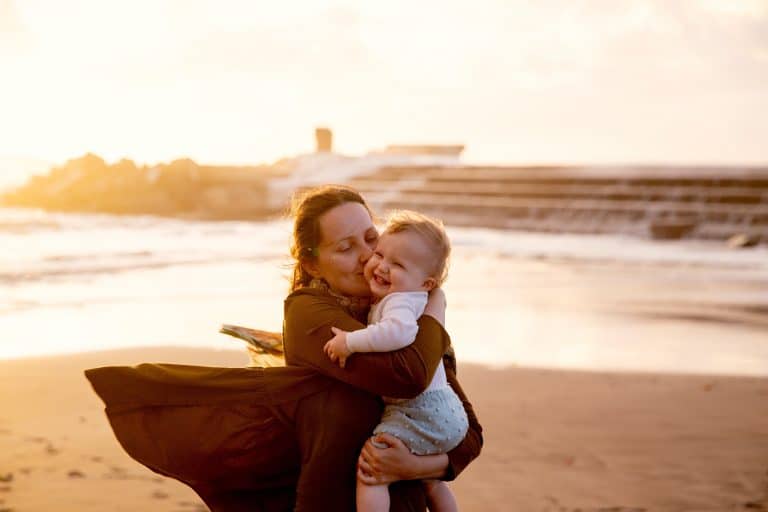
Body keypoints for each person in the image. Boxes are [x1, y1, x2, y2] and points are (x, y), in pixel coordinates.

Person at [85, 184, 483, 512]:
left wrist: (416, 466)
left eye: (370, 238)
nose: (366, 257)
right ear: (312, 265)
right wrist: (437, 311)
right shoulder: (309, 314)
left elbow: (468, 433)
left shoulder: (396, 313)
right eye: (345, 248)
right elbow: (407, 376)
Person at [324, 210, 467, 512]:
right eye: (380, 254)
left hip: (420, 411)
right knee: (433, 483)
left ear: (427, 283)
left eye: (398, 264)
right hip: (445, 411)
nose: (380, 266)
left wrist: (349, 342)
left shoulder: (400, 302)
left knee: (372, 472)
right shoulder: (412, 299)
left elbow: (398, 333)